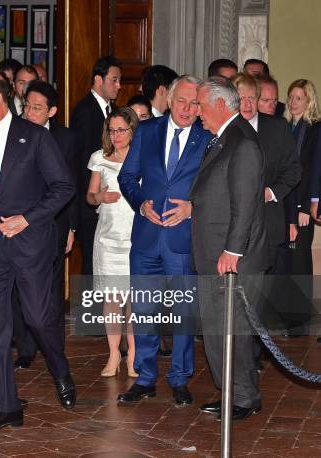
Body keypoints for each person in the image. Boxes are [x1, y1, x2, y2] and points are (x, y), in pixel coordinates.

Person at [0, 71, 76, 432]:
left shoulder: (35, 137)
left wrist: (28, 218)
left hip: (30, 243)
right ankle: (7, 405)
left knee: (38, 318)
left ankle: (61, 369)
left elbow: (63, 186)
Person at [118, 76, 211, 406]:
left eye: (195, 103)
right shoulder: (146, 131)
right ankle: (144, 377)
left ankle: (179, 377)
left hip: (182, 239)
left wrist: (193, 208)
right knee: (144, 310)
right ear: (169, 101)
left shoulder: (208, 138)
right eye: (183, 101)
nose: (188, 109)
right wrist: (141, 202)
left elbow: (215, 189)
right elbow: (126, 177)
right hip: (146, 238)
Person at [192, 77, 269, 421]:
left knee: (233, 333)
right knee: (216, 330)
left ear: (220, 105)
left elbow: (245, 204)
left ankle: (244, 397)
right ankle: (231, 394)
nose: (197, 113)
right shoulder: (224, 139)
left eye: (201, 106)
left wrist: (233, 252)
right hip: (214, 254)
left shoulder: (243, 143)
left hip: (233, 258)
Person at [10, 80, 78, 368]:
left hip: (55, 224)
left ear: (52, 111)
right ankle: (25, 348)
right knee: (20, 287)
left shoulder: (67, 139)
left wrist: (72, 228)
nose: (29, 113)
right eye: (26, 106)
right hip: (19, 226)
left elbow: (72, 184)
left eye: (37, 108)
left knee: (50, 291)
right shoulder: (14, 133)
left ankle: (54, 349)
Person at [232, 73, 301, 334]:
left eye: (252, 98)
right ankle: (238, 349)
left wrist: (271, 192)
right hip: (233, 227)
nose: (247, 104)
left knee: (261, 294)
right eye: (242, 99)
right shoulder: (227, 129)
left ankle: (256, 352)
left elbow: (293, 170)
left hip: (268, 224)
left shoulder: (277, 128)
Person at [87, 108, 139, 378]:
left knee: (134, 300)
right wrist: (100, 198)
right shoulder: (99, 157)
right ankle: (112, 354)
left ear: (132, 130)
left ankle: (133, 355)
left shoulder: (142, 157)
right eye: (112, 130)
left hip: (135, 237)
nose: (116, 135)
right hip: (108, 238)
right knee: (112, 299)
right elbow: (90, 196)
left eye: (121, 130)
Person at [70, 56, 121, 275]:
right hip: (91, 202)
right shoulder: (85, 110)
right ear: (98, 80)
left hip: (111, 203)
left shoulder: (113, 110)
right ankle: (89, 309)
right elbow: (82, 162)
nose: (118, 86)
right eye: (114, 80)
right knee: (93, 264)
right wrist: (91, 198)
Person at [285, 79, 321, 337]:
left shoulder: (315, 129)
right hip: (284, 204)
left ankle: (299, 320)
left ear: (309, 101)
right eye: (291, 97)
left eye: (299, 98)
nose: (293, 102)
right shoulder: (286, 126)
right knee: (287, 261)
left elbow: (314, 169)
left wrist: (308, 205)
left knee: (299, 261)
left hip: (302, 205)